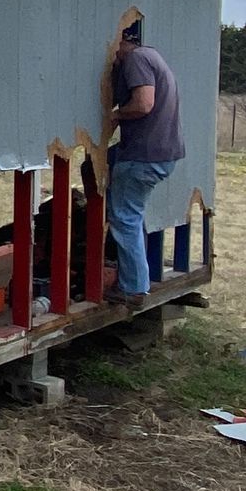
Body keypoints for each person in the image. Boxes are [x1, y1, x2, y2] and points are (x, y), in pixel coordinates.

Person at [105, 19, 184, 307]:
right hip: (162, 154)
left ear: (123, 40)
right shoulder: (153, 56)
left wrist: (116, 115)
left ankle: (133, 288)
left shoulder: (135, 59)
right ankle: (132, 274)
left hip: (142, 157)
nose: (112, 55)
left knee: (124, 218)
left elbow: (143, 104)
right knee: (131, 212)